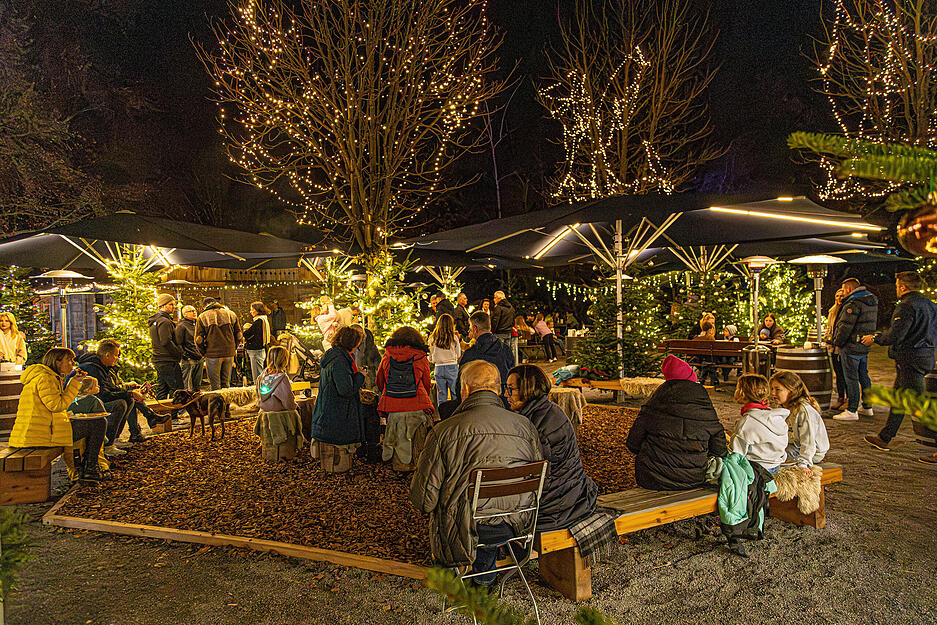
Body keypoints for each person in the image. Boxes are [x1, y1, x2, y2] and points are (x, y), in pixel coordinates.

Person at [409, 360, 543, 585]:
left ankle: (454, 578)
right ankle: (484, 577)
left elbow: (424, 500)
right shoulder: (525, 426)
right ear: (498, 390)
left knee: (462, 507)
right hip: (518, 523)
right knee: (484, 506)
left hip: (465, 527)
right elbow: (535, 477)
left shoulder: (444, 432)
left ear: (465, 390)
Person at [506, 364, 596, 530]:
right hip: (572, 496)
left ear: (528, 389)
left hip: (553, 509)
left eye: (511, 389)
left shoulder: (534, 425)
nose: (506, 394)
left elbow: (532, 476)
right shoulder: (549, 411)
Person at [861, 271, 937, 462]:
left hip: (911, 359)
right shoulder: (930, 305)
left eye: (896, 285)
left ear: (902, 287)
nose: (896, 289)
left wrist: (876, 338)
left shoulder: (905, 306)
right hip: (925, 356)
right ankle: (885, 437)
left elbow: (896, 336)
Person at [626, 355, 727, 490]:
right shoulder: (704, 405)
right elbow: (719, 449)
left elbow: (633, 443)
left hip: (652, 478)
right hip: (693, 478)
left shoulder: (655, 403)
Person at [10, 348, 107, 482]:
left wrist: (75, 381)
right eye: (69, 360)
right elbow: (56, 406)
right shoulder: (46, 378)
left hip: (38, 433)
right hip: (40, 436)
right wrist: (75, 383)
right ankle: (89, 468)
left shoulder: (49, 376)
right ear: (57, 362)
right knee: (98, 423)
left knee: (93, 423)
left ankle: (88, 467)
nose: (73, 363)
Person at [74, 340, 169, 450]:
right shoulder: (93, 368)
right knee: (120, 403)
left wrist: (129, 389)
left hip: (94, 400)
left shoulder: (103, 367)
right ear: (107, 355)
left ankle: (125, 435)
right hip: (86, 404)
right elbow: (102, 394)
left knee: (128, 398)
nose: (117, 358)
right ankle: (109, 443)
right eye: (116, 355)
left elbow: (112, 387)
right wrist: (128, 392)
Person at [377, 326, 434, 469]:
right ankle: (418, 465)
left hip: (393, 404)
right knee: (417, 438)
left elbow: (380, 380)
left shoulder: (387, 355)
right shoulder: (420, 356)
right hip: (417, 405)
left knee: (397, 437)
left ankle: (400, 466)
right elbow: (427, 382)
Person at [830, 278, 878, 421]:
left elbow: (845, 327)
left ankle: (852, 410)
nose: (843, 293)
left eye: (844, 290)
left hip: (851, 346)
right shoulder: (871, 301)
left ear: (849, 289)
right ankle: (867, 406)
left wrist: (836, 342)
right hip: (863, 345)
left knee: (851, 378)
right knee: (864, 375)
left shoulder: (853, 303)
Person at [309, 326, 366, 447]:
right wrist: (360, 376)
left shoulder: (333, 356)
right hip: (337, 417)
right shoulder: (340, 361)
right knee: (338, 459)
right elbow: (345, 389)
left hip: (328, 413)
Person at [769, 371, 829, 470]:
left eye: (778, 389)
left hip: (812, 452)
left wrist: (803, 463)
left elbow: (808, 441)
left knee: (772, 457)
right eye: (772, 389)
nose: (773, 393)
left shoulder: (803, 411)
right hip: (794, 446)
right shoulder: (784, 408)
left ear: (791, 391)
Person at [731, 374, 789, 475]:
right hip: (775, 465)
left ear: (742, 393)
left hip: (756, 470)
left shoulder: (747, 422)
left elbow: (737, 454)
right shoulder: (775, 418)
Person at [453, 311, 514, 402]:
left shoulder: (470, 354)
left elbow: (460, 385)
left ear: (475, 328)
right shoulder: (505, 349)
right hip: (501, 402)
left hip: (475, 404)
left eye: (470, 328)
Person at [195, 297, 242, 390]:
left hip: (212, 354)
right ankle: (227, 403)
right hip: (229, 353)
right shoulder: (231, 314)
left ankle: (217, 404)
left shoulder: (203, 316)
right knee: (226, 384)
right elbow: (239, 335)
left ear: (205, 305)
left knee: (215, 385)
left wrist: (203, 353)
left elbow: (198, 339)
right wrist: (233, 348)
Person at [148, 294, 183, 399]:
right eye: (170, 304)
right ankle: (174, 412)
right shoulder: (164, 321)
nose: (173, 307)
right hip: (167, 359)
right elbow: (165, 341)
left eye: (174, 304)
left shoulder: (156, 320)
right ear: (162, 306)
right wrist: (178, 353)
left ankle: (161, 412)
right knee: (176, 388)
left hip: (159, 359)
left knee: (163, 388)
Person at [823, 287, 847, 411]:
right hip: (833, 346)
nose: (839, 298)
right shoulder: (832, 310)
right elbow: (829, 328)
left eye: (841, 296)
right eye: (837, 296)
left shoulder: (845, 310)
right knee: (838, 373)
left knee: (845, 373)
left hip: (841, 346)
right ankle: (840, 397)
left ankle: (848, 399)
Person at [429, 314, 461, 404]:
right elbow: (458, 354)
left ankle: (443, 414)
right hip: (452, 366)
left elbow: (431, 357)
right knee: (454, 393)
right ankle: (455, 414)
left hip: (439, 367)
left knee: (441, 394)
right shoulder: (454, 338)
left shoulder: (433, 338)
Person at [175, 305, 203, 392]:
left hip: (199, 357)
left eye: (195, 310)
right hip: (189, 359)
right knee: (187, 386)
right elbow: (178, 343)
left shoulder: (197, 324)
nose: (194, 312)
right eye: (191, 311)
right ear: (185, 314)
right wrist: (186, 356)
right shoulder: (182, 326)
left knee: (197, 385)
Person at [243, 301, 272, 383]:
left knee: (257, 374)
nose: (250, 311)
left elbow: (248, 333)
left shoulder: (259, 321)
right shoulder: (264, 319)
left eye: (252, 309)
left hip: (255, 350)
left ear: (257, 310)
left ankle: (259, 391)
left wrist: (245, 331)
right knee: (260, 371)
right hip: (261, 349)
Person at [489, 291, 517, 367]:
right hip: (508, 333)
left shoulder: (498, 307)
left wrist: (492, 331)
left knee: (498, 354)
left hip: (499, 333)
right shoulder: (510, 307)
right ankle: (508, 368)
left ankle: (500, 370)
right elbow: (512, 321)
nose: (493, 299)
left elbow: (495, 321)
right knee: (506, 352)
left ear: (499, 298)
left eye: (494, 297)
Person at [692, 321, 720, 387]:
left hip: (700, 358)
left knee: (706, 366)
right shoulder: (710, 338)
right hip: (710, 359)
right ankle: (714, 381)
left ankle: (702, 379)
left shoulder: (699, 337)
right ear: (710, 329)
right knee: (710, 366)